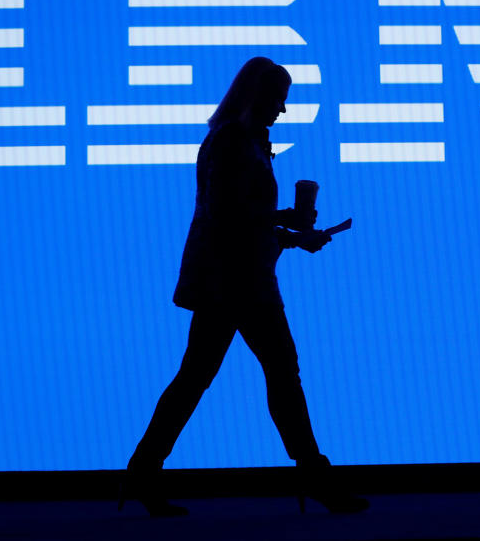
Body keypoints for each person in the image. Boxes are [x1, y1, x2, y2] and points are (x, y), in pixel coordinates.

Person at [118, 57, 369, 516]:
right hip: (239, 284)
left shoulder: (240, 138)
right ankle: (314, 476)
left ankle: (143, 472)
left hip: (233, 280)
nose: (283, 110)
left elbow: (237, 222)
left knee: (201, 377)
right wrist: (287, 222)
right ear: (258, 96)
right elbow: (227, 214)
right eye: (278, 100)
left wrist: (291, 236)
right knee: (276, 373)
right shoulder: (235, 141)